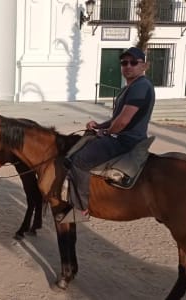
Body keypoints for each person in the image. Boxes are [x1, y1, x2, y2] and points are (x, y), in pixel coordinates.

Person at [58, 46, 155, 222]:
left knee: (79, 161)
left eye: (133, 62)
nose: (128, 66)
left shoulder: (140, 86)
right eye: (124, 62)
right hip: (124, 136)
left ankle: (80, 210)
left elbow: (123, 122)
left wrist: (106, 132)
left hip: (126, 140)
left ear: (144, 66)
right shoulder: (131, 86)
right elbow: (117, 118)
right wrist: (99, 125)